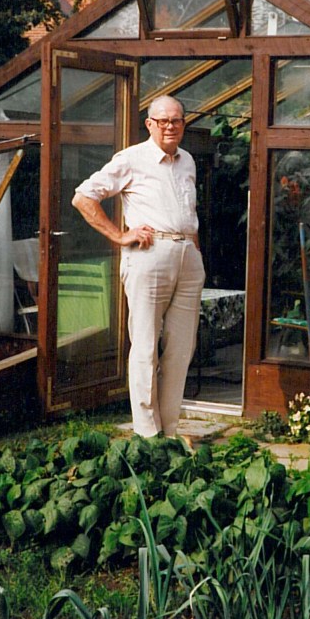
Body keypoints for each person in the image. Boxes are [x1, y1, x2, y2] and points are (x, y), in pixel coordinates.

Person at [71, 95, 205, 438]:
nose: (170, 127)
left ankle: (169, 432)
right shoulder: (132, 158)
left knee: (181, 348)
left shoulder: (188, 161)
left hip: (187, 253)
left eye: (176, 120)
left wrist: (194, 253)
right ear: (150, 124)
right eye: (163, 121)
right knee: (145, 346)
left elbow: (188, 213)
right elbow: (84, 197)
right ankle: (147, 434)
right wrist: (119, 235)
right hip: (149, 253)